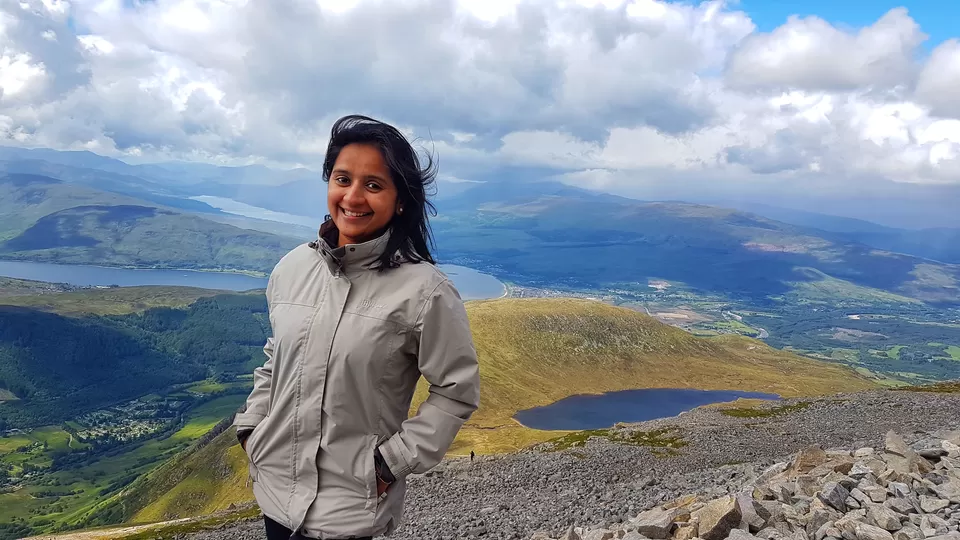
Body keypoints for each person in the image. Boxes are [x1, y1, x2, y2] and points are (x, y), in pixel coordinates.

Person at [233, 114, 481, 540]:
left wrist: (390, 463)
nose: (353, 196)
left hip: (351, 509)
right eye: (342, 179)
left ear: (400, 200)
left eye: (373, 185)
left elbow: (456, 390)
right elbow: (277, 357)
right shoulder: (292, 269)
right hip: (274, 493)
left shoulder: (425, 291)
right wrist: (253, 427)